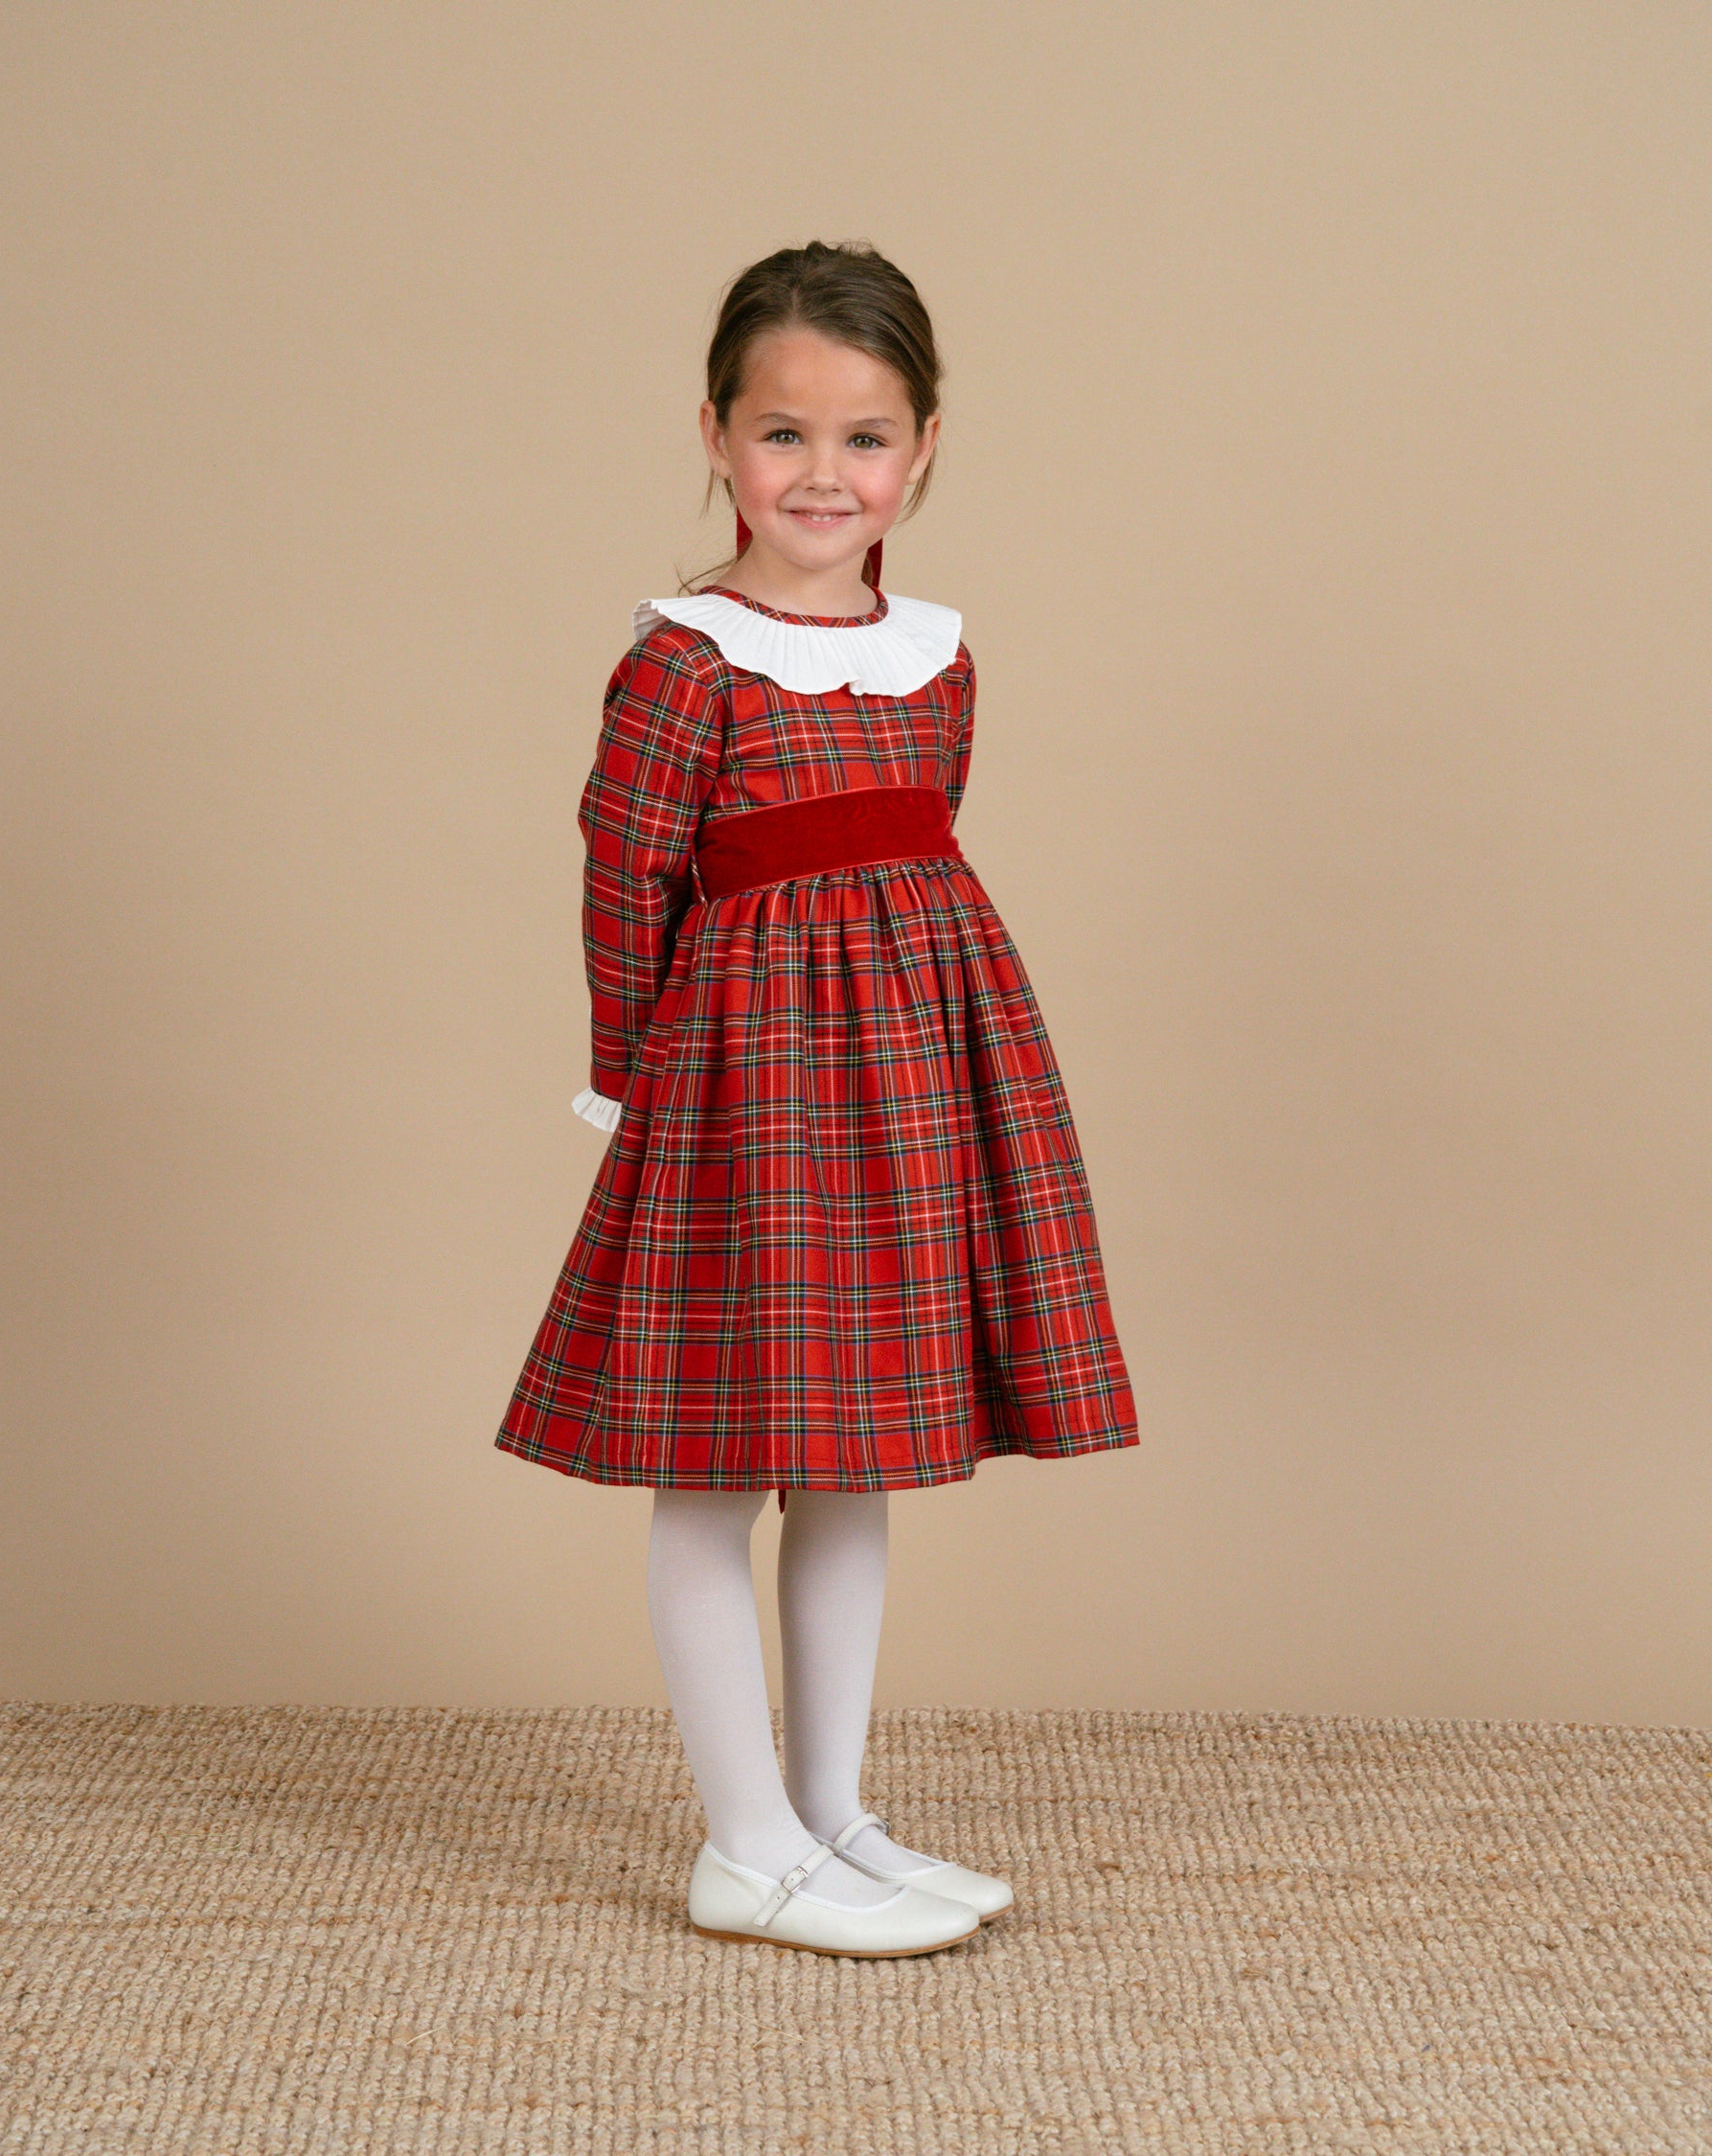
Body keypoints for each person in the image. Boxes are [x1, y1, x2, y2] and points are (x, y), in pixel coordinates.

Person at [495, 240, 1140, 1958]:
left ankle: (834, 1811)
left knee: (855, 1456)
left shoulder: (935, 654)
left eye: (863, 440)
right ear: (714, 436)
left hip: (910, 1092)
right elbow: (626, 878)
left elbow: (912, 864)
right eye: (783, 436)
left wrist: (948, 1064)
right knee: (717, 1465)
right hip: (743, 1102)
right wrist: (635, 1083)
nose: (822, 476)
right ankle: (742, 1838)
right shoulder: (684, 663)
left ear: (922, 451)